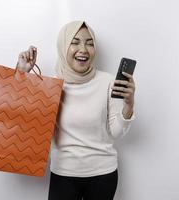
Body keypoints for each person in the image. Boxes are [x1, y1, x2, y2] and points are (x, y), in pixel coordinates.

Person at [16, 20, 135, 200]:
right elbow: (21, 120)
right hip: (63, 174)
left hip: (103, 175)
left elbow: (116, 132)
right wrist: (22, 74)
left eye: (89, 43)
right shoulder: (50, 86)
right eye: (75, 42)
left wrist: (129, 104)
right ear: (63, 46)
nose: (84, 49)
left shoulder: (108, 82)